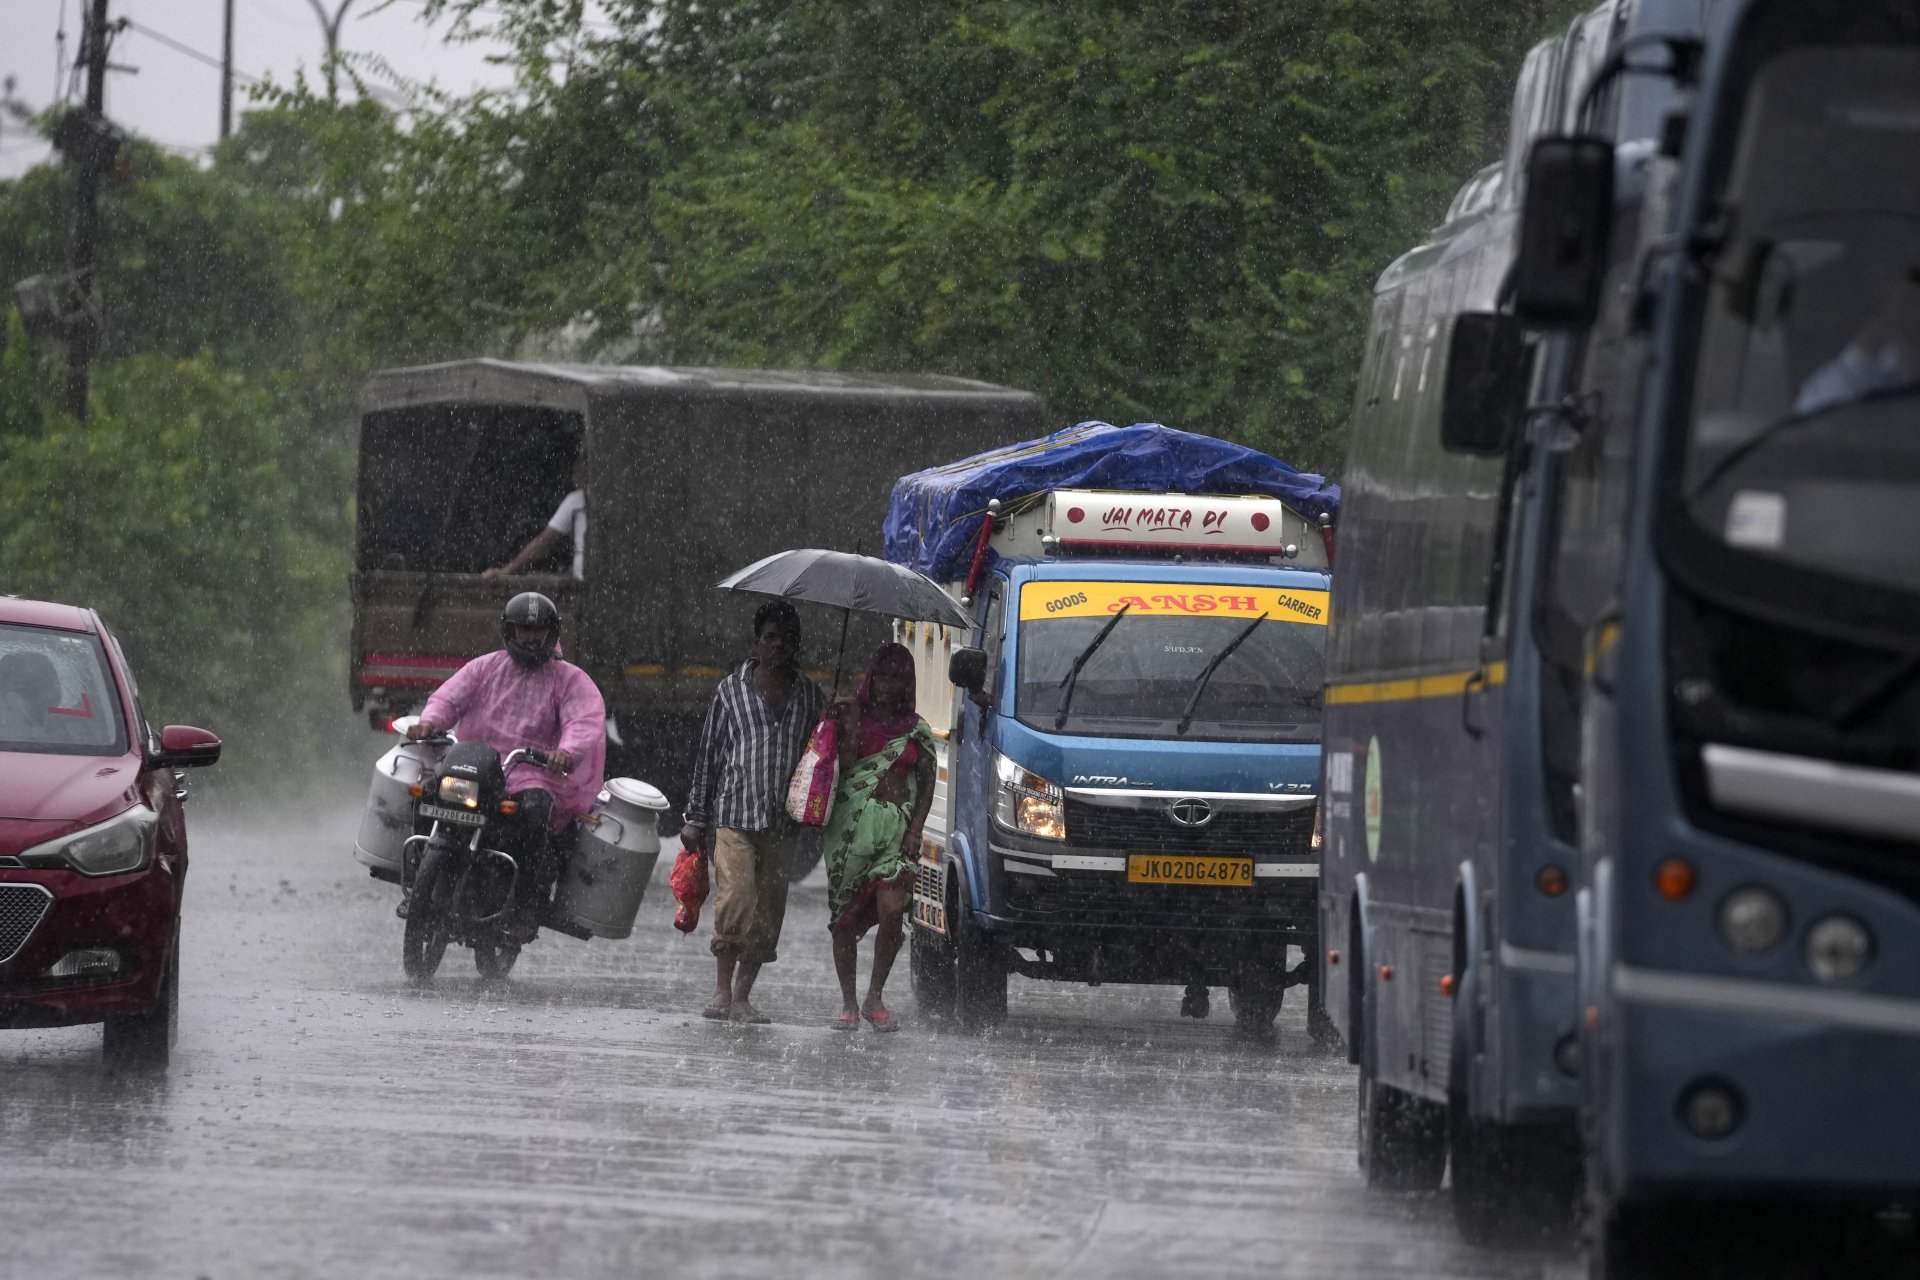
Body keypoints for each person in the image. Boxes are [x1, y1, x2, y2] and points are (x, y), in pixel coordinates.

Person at [407, 592, 606, 942]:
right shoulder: (485, 667)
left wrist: (565, 752)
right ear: (509, 631)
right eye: (523, 629)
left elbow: (583, 720)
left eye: (539, 630)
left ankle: (526, 907)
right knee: (426, 794)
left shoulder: (570, 679)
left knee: (534, 813)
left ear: (552, 633)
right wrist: (429, 722)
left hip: (533, 770)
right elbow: (449, 697)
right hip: (476, 763)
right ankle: (417, 886)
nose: (531, 637)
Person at [681, 601, 825, 1024]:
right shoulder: (731, 689)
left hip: (783, 822)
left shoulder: (810, 695)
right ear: (756, 642)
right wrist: (695, 816)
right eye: (770, 637)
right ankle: (722, 992)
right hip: (735, 814)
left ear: (796, 645)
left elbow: (823, 757)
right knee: (736, 899)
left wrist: (835, 719)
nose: (777, 646)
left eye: (786, 639)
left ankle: (743, 997)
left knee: (768, 912)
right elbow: (710, 754)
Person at [820, 642, 936, 1032]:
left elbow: (928, 779)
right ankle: (849, 1003)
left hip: (896, 834)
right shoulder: (856, 715)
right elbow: (848, 763)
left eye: (897, 677)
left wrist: (915, 829)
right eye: (882, 675)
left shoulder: (916, 729)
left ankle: (875, 996)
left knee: (892, 909)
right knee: (844, 921)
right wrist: (842, 719)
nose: (888, 685)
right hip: (851, 830)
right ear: (872, 676)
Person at [484, 455, 587, 581]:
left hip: (591, 585)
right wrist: (507, 571)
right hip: (587, 585)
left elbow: (545, 541)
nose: (577, 472)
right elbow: (545, 541)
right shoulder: (576, 500)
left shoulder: (578, 500)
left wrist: (507, 570)